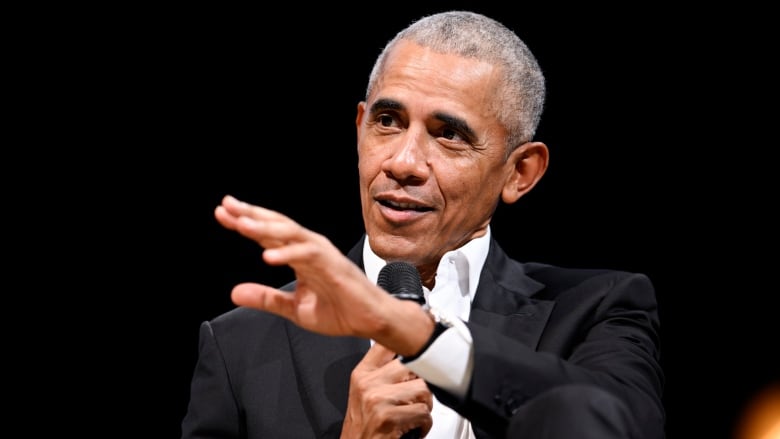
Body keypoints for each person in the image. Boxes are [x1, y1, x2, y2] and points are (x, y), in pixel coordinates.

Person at [181, 10, 665, 439]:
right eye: (387, 121)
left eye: (448, 134)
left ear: (520, 173)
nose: (403, 162)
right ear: (359, 128)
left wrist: (419, 339)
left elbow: (618, 423)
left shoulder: (594, 311)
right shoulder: (239, 346)